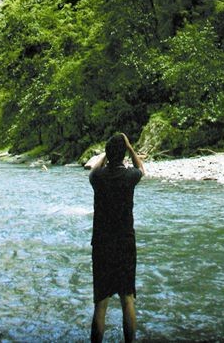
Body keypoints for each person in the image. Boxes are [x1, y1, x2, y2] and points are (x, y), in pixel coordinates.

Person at [88, 131, 145, 343]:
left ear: (107, 154)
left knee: (100, 304)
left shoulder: (98, 178)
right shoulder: (129, 176)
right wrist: (130, 148)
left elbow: (93, 170)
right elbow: (141, 168)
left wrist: (105, 155)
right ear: (123, 155)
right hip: (125, 243)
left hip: (101, 245)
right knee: (128, 299)